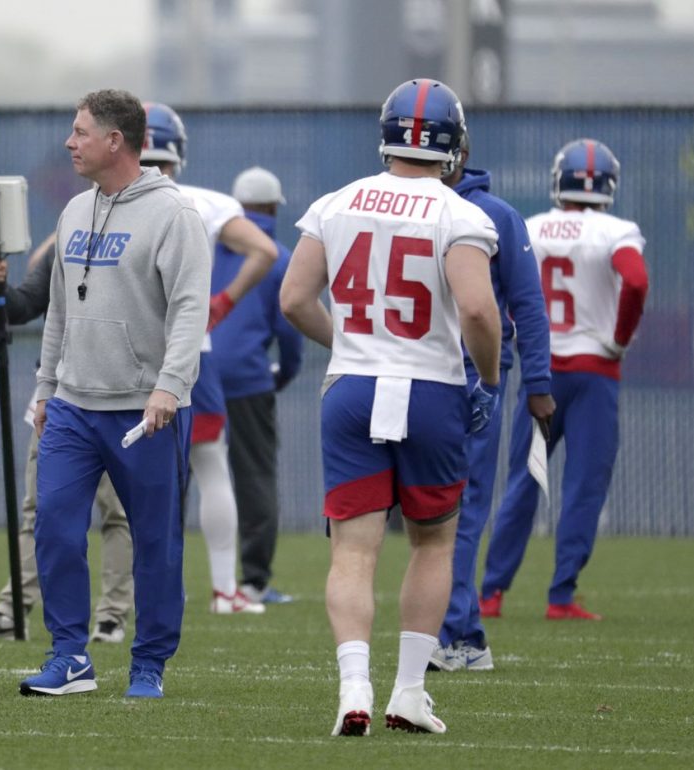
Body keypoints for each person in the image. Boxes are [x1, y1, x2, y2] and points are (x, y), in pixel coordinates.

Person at [279, 78, 501, 736]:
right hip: (431, 388)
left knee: (352, 552)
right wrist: (488, 379)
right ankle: (407, 691)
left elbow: (293, 299)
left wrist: (350, 345)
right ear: (452, 145)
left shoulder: (336, 202)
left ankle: (353, 689)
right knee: (433, 543)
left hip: (352, 389)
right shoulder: (459, 213)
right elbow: (477, 309)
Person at [19, 89, 209, 699]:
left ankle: (148, 664)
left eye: (80, 132)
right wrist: (46, 388)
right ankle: (70, 656)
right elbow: (57, 311)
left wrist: (169, 388)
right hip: (73, 407)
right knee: (53, 528)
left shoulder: (174, 214)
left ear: (115, 141)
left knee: (155, 543)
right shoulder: (74, 210)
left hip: (144, 410)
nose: (70, 143)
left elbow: (190, 309)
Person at [479, 139, 648, 622]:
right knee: (583, 485)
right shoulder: (618, 231)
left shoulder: (531, 226)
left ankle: (491, 593)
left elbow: (501, 284)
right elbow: (636, 280)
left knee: (523, 480)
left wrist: (517, 331)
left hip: (543, 373)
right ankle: (560, 596)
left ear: (560, 180)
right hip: (595, 373)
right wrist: (619, 338)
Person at [0, 236, 135, 643]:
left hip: (119, 396)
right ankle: (12, 612)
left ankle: (111, 616)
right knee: (40, 509)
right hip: (60, 396)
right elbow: (23, 307)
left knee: (117, 512)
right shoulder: (70, 237)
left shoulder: (148, 233)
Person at [140, 103, 279, 614]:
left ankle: (141, 591)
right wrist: (221, 303)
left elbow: (48, 260)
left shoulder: (100, 201)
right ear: (177, 150)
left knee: (139, 481)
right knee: (211, 465)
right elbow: (265, 251)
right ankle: (224, 589)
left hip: (124, 355)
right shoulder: (205, 202)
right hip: (189, 355)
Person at [428, 130, 555, 672]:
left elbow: (527, 305)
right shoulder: (408, 203)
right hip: (412, 372)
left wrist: (539, 383)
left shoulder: (498, 215)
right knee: (436, 509)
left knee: (457, 507)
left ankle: (457, 632)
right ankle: (460, 631)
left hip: (468, 375)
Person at [211, 166, 305, 606]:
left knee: (179, 477)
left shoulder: (209, 246)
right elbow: (291, 331)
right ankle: (253, 583)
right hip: (249, 380)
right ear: (272, 207)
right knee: (254, 478)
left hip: (194, 372)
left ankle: (161, 581)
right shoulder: (280, 257)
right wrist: (282, 374)